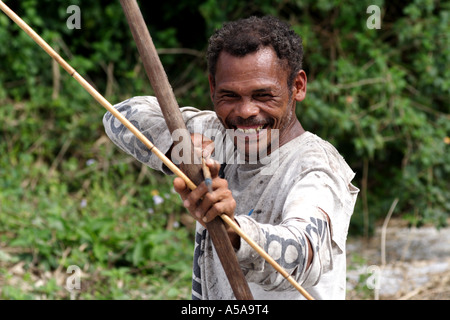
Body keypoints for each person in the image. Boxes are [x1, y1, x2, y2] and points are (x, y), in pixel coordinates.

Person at [103, 16, 359, 300]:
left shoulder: (316, 168)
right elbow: (119, 116)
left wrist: (235, 232)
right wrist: (175, 148)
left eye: (263, 95)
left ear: (297, 87)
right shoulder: (218, 135)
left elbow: (303, 254)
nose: (246, 111)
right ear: (212, 88)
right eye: (230, 96)